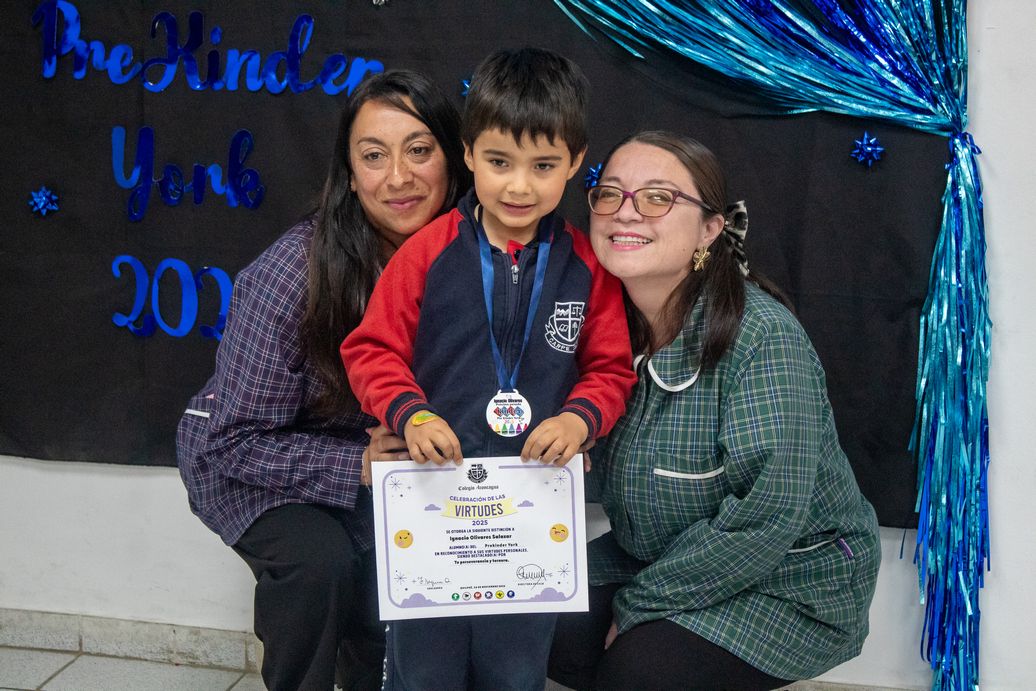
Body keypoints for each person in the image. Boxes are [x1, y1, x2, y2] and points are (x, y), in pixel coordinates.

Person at [340, 48, 637, 691]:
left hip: (531, 506)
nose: (519, 187)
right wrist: (411, 415)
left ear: (577, 162)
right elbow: (370, 351)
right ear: (469, 153)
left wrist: (579, 421)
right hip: (432, 496)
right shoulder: (427, 253)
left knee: (516, 669)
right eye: (499, 162)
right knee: (425, 671)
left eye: (543, 166)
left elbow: (611, 370)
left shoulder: (586, 267)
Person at [547, 131, 881, 691]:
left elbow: (767, 516)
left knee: (639, 671)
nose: (625, 212)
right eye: (609, 193)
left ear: (710, 228)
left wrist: (640, 606)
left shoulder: (763, 338)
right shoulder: (596, 328)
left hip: (790, 574)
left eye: (658, 197)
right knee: (533, 623)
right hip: (657, 552)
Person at [175, 69, 470, 691]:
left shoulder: (477, 256)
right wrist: (356, 465)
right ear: (350, 173)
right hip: (252, 458)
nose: (398, 177)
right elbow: (233, 441)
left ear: (455, 157)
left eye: (419, 150)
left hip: (385, 458)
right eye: (374, 156)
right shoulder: (294, 272)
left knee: (398, 581)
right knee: (320, 565)